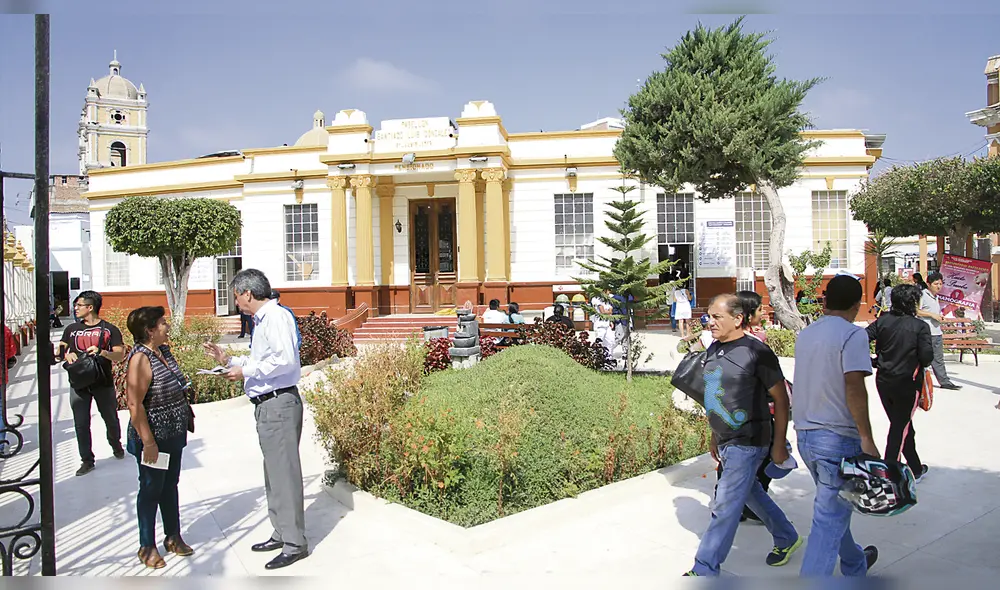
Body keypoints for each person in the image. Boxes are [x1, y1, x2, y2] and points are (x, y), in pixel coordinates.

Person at [684, 294, 799, 577]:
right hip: (725, 438)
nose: (710, 322)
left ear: (737, 319)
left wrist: (779, 445)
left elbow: (781, 399)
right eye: (708, 316)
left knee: (724, 503)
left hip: (749, 439)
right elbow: (713, 397)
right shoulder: (714, 350)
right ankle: (787, 537)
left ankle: (705, 568)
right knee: (750, 493)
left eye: (716, 317)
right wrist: (713, 436)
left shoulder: (756, 351)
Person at [203, 269, 308, 570]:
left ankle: (294, 542)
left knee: (284, 475)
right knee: (273, 474)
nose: (236, 303)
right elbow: (263, 361)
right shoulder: (263, 321)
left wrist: (246, 372)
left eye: (236, 296)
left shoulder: (275, 318)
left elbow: (285, 360)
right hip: (267, 405)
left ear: (247, 293)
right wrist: (228, 361)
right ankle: (282, 531)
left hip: (279, 404)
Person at [792, 275, 880, 577]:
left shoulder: (807, 333)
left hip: (806, 436)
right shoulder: (852, 335)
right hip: (837, 438)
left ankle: (855, 563)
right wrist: (867, 438)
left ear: (825, 300)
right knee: (828, 518)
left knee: (834, 506)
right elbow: (855, 387)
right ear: (857, 305)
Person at [124, 306, 195, 569]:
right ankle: (146, 545)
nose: (167, 326)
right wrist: (149, 443)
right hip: (153, 438)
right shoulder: (140, 359)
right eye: (162, 323)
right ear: (150, 330)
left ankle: (173, 536)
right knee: (151, 488)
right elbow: (134, 404)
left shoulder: (163, 351)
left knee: (170, 484)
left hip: (173, 433)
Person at [866, 284, 933, 482]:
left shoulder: (883, 320)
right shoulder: (920, 326)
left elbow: (860, 337)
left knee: (903, 425)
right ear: (912, 302)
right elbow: (927, 357)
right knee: (899, 428)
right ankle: (890, 472)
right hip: (907, 383)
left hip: (884, 382)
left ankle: (915, 467)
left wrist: (872, 360)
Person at [57, 290, 126, 476]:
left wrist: (102, 352)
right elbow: (61, 349)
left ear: (90, 307)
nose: (75, 308)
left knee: (110, 418)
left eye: (79, 305)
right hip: (78, 383)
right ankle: (87, 460)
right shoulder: (71, 329)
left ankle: (116, 445)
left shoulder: (109, 329)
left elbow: (120, 355)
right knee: (81, 422)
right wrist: (66, 353)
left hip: (102, 381)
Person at [916, 271, 960, 390]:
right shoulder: (922, 295)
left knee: (939, 359)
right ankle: (918, 381)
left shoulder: (936, 297)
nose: (939, 286)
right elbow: (916, 311)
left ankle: (945, 382)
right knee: (923, 359)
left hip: (937, 332)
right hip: (926, 333)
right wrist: (931, 315)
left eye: (940, 284)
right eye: (936, 284)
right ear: (928, 284)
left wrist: (939, 317)